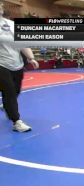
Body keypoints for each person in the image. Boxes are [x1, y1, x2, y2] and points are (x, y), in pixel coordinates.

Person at [0, 1, 39, 132]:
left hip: (17, 64)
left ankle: (7, 105)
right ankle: (17, 121)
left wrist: (31, 58)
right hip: (1, 64)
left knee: (15, 91)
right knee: (9, 91)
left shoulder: (11, 24)